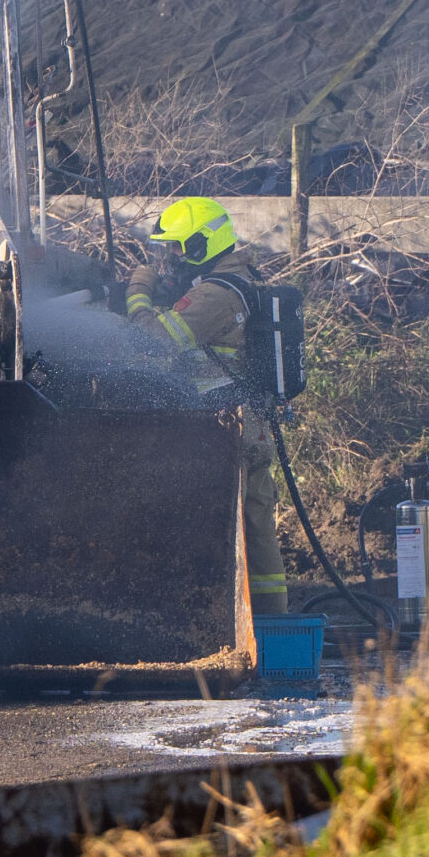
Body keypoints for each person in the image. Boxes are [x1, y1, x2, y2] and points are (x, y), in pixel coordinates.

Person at [125, 196, 290, 615]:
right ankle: (269, 623)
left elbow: (155, 340)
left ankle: (255, 625)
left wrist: (137, 294)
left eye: (177, 248)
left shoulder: (217, 295)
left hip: (231, 426)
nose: (170, 258)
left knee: (237, 525)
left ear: (204, 246)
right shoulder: (226, 283)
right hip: (241, 420)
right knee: (253, 524)